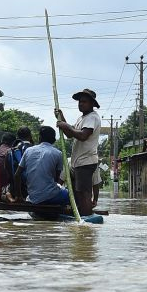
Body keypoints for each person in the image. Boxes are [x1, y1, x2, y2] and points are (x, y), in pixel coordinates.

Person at [55, 87, 102, 216]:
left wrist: (65, 125)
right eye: (80, 102)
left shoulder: (92, 118)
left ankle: (86, 222)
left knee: (84, 194)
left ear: (92, 104)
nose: (81, 104)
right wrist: (62, 118)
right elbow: (71, 134)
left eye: (84, 102)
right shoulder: (82, 118)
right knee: (78, 193)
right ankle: (81, 215)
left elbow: (82, 135)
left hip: (85, 162)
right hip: (79, 162)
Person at [13, 126, 69, 205]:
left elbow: (17, 175)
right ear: (53, 139)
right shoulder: (58, 153)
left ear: (40, 138)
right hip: (50, 196)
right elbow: (56, 179)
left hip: (33, 197)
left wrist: (18, 196)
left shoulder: (29, 151)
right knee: (70, 195)